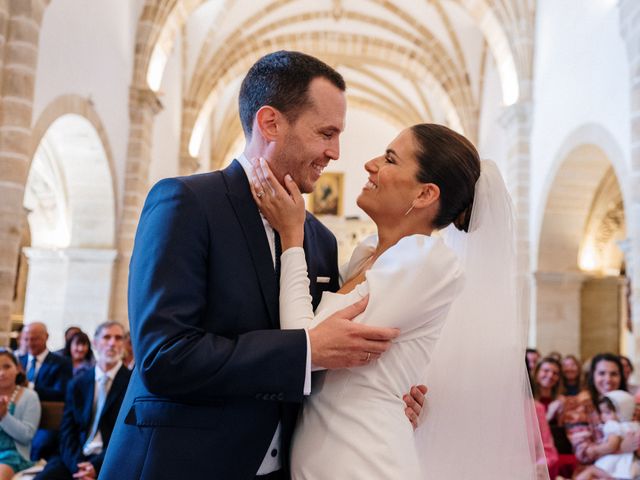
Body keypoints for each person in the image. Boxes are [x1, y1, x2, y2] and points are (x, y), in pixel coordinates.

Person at [100, 51, 424, 480]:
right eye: (326, 133)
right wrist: (306, 349)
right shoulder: (186, 203)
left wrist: (388, 398)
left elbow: (322, 361)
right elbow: (164, 356)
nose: (335, 152)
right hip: (180, 463)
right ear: (270, 123)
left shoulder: (319, 239)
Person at [250, 123, 544, 478]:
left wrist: (292, 237)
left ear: (424, 195)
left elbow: (303, 346)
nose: (370, 164)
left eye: (389, 159)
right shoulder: (366, 256)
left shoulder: (428, 262)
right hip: (327, 454)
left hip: (364, 460)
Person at [36, 321, 130, 480]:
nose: (112, 343)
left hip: (111, 459)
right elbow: (67, 431)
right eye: (107, 337)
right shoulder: (78, 383)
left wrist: (96, 467)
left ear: (124, 344)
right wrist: (78, 466)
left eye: (118, 338)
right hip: (76, 456)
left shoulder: (131, 384)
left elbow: (127, 435)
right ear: (95, 342)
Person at [560, 353, 640, 474]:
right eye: (602, 373)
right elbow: (583, 453)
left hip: (631, 466)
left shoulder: (628, 404)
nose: (608, 379)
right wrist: (620, 448)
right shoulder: (577, 405)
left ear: (621, 377)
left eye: (614, 374)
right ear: (593, 376)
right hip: (594, 470)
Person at [18, 322, 72, 460]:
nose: (30, 343)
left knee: (37, 447)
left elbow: (61, 393)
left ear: (46, 337)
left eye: (34, 339)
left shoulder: (62, 363)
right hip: (18, 416)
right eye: (26, 339)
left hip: (46, 419)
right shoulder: (18, 361)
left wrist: (29, 387)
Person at [575, 390, 640, 480]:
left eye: (607, 413)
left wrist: (595, 450)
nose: (602, 416)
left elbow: (611, 445)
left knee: (590, 471)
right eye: (602, 412)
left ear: (621, 412)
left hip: (614, 463)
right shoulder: (635, 425)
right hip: (631, 464)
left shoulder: (612, 425)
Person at [0, 349, 40, 479]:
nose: (1, 373)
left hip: (12, 455)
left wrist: (4, 416)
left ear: (17, 368)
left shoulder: (30, 396)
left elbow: (26, 435)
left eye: (7, 367)